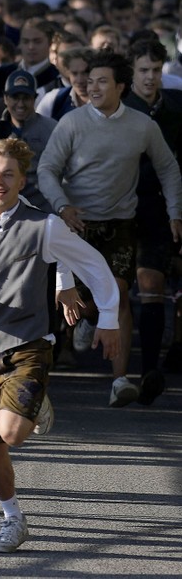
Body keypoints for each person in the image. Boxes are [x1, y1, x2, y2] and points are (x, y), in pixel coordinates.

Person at [0, 136, 120, 553]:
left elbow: (93, 264)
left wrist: (107, 318)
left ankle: (32, 402)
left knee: (12, 432)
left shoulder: (46, 226)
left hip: (28, 343)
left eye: (7, 175)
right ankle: (13, 519)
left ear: (22, 180)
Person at [37, 51, 182, 407]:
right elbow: (46, 170)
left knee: (116, 293)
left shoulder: (143, 125)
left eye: (103, 81)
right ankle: (80, 324)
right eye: (90, 80)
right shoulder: (71, 123)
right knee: (74, 301)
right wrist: (63, 206)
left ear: (121, 86)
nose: (93, 86)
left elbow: (168, 168)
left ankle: (120, 380)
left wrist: (175, 212)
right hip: (75, 222)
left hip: (120, 223)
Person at [123, 39, 182, 404]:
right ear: (131, 73)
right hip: (119, 207)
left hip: (160, 209)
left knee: (152, 286)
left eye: (156, 71)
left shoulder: (175, 107)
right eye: (143, 70)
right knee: (115, 293)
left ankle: (149, 371)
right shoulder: (119, 108)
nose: (150, 78)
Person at [0, 70, 56, 213]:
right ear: (5, 98)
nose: (20, 104)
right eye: (15, 97)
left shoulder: (51, 129)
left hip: (44, 209)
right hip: (6, 209)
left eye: (26, 97)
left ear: (35, 98)